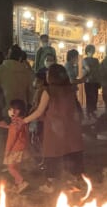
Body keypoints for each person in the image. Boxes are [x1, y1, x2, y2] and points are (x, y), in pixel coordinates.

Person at [20, 64, 84, 192]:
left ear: (52, 76)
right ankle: (76, 181)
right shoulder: (70, 89)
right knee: (72, 151)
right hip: (71, 127)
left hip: (54, 128)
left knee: (52, 153)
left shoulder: (48, 91)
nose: (47, 76)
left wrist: (24, 121)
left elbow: (39, 111)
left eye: (48, 73)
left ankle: (50, 184)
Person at [0, 98, 30, 193]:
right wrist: (7, 126)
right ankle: (17, 185)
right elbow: (18, 131)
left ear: (19, 110)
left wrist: (7, 151)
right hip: (22, 147)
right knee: (16, 167)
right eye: (11, 108)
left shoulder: (14, 124)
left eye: (14, 109)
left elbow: (11, 139)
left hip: (15, 149)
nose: (11, 111)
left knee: (11, 168)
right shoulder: (22, 121)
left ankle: (22, 182)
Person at [0, 45, 33, 112]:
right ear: (20, 58)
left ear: (8, 55)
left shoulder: (1, 69)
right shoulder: (26, 72)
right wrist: (29, 106)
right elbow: (30, 91)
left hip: (5, 108)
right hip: (21, 108)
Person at [81, 44, 101, 119]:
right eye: (90, 50)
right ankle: (89, 112)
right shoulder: (85, 60)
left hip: (93, 81)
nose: (92, 52)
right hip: (89, 81)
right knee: (90, 97)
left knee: (94, 97)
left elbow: (98, 71)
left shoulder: (95, 60)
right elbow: (87, 70)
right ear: (88, 51)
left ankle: (92, 112)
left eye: (92, 50)